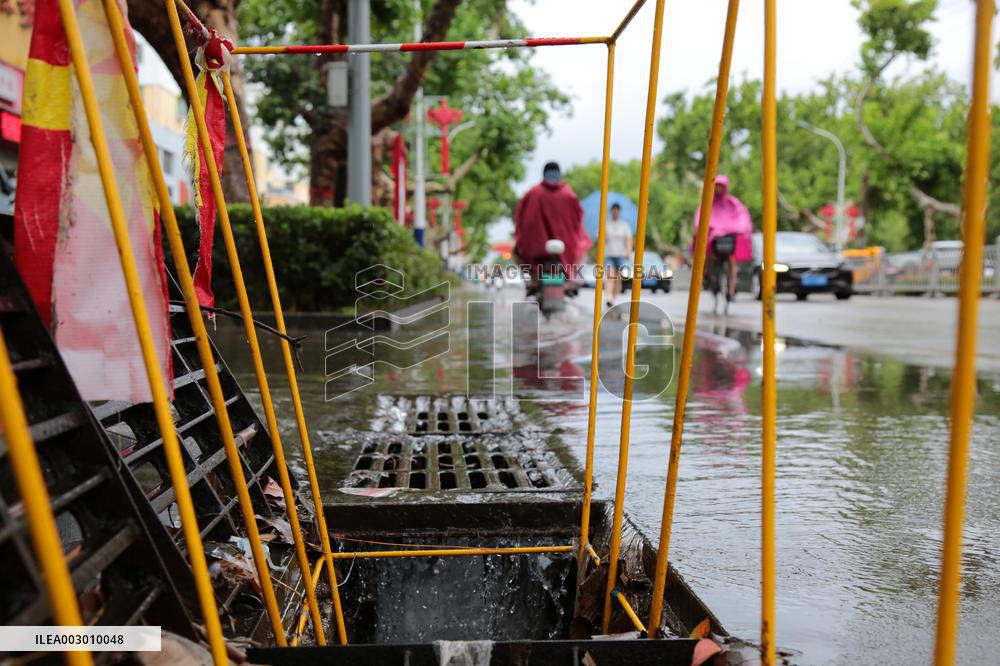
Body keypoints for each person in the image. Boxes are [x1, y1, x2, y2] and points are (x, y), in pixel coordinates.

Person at [513, 161, 590, 286]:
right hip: (566, 248)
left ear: (543, 174)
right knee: (583, 247)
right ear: (559, 174)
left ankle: (532, 280)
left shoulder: (533, 193)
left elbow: (521, 218)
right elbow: (577, 220)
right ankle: (571, 282)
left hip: (536, 249)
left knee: (515, 251)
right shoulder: (569, 194)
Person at [693, 174, 753, 301]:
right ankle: (707, 274)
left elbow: (742, 215)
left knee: (731, 260)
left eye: (721, 186)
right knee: (708, 255)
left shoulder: (732, 202)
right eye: (717, 186)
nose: (719, 189)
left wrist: (740, 227)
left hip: (728, 238)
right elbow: (699, 217)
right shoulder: (707, 201)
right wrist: (703, 227)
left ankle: (731, 288)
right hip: (713, 238)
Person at [603, 202, 633, 307]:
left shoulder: (624, 225)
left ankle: (614, 297)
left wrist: (629, 251)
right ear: (611, 212)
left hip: (621, 255)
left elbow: (628, 239)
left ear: (619, 212)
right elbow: (601, 239)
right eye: (613, 211)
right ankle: (609, 297)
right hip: (609, 254)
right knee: (610, 276)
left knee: (618, 279)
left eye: (617, 211)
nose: (615, 213)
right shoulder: (606, 224)